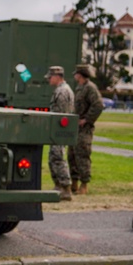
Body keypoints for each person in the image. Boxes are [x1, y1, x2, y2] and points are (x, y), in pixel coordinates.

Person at [69, 64, 103, 195]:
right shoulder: (80, 88)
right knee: (72, 155)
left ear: (80, 74)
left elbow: (98, 105)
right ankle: (74, 183)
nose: (74, 76)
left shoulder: (90, 88)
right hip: (76, 128)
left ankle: (84, 185)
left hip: (84, 129)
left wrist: (87, 119)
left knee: (82, 155)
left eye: (76, 73)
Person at [45, 66, 74, 201]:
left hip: (59, 131)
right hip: (57, 130)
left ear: (57, 77)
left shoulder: (62, 92)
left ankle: (65, 188)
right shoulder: (62, 90)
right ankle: (59, 186)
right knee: (54, 157)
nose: (49, 80)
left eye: (50, 77)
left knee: (58, 158)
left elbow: (61, 114)